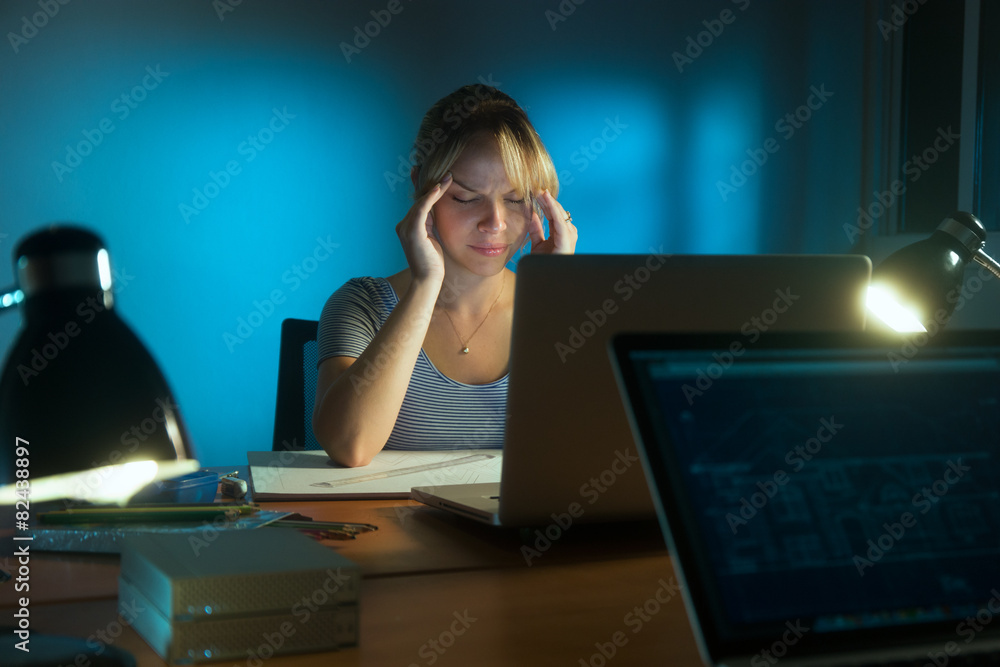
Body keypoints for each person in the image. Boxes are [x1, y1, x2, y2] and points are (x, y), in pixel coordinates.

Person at [312, 84, 577, 467]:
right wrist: (425, 285)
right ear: (423, 190)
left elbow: (584, 456)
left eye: (516, 199)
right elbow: (350, 446)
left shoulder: (563, 307)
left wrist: (553, 297)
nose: (495, 223)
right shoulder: (361, 304)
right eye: (467, 198)